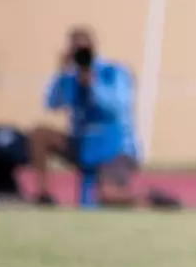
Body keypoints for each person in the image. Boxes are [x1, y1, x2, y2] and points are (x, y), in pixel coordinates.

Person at [30, 26, 180, 209]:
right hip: (85, 144)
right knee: (40, 135)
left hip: (116, 148)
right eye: (75, 49)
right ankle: (43, 195)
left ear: (93, 47)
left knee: (106, 197)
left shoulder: (113, 72)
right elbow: (51, 104)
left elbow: (117, 108)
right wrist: (62, 72)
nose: (80, 54)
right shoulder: (70, 76)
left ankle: (149, 197)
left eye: (83, 49)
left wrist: (93, 85)